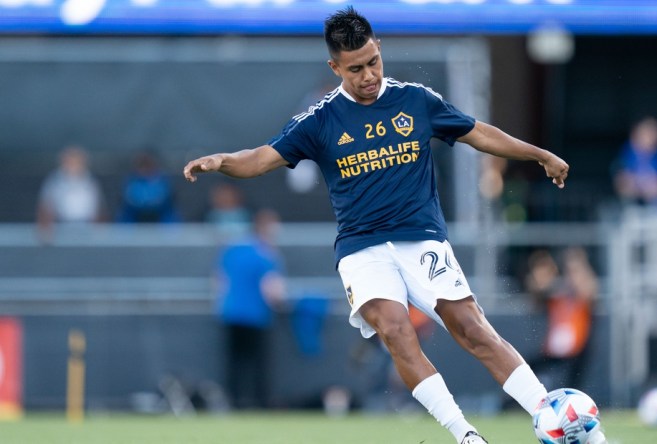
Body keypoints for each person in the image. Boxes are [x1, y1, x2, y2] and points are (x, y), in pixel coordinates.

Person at [184, 7, 606, 443]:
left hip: (420, 240)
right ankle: (465, 435)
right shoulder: (320, 121)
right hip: (361, 249)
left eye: (373, 63)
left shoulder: (416, 100)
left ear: (379, 49)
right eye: (355, 69)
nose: (367, 75)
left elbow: (478, 132)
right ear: (335, 68)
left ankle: (550, 414)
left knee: (471, 327)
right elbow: (261, 159)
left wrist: (539, 154)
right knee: (395, 330)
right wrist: (223, 162)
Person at [214, 209, 285, 410]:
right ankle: (260, 403)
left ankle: (233, 402)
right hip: (256, 316)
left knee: (234, 363)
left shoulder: (232, 250)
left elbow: (219, 282)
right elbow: (273, 290)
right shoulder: (266, 254)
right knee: (259, 364)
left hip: (230, 313)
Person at [524, 248, 597, 391]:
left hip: (578, 349)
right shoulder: (557, 293)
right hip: (554, 349)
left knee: (572, 384)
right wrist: (543, 273)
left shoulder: (583, 290)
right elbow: (535, 294)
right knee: (530, 370)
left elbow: (587, 292)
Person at [36, 145, 105, 241]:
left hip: (86, 228)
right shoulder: (54, 182)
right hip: (60, 228)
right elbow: (45, 209)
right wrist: (45, 232)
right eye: (70, 161)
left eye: (77, 162)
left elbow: (98, 210)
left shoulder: (90, 182)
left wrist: (98, 235)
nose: (73, 165)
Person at [613, 116, 657, 206]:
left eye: (655, 135)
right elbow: (621, 181)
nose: (652, 138)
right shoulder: (626, 153)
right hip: (632, 202)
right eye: (648, 134)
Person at [118, 151, 179, 223]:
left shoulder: (164, 181)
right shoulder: (130, 182)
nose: (145, 169)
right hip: (134, 221)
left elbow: (163, 200)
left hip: (162, 221)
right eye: (142, 166)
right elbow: (131, 200)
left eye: (148, 165)